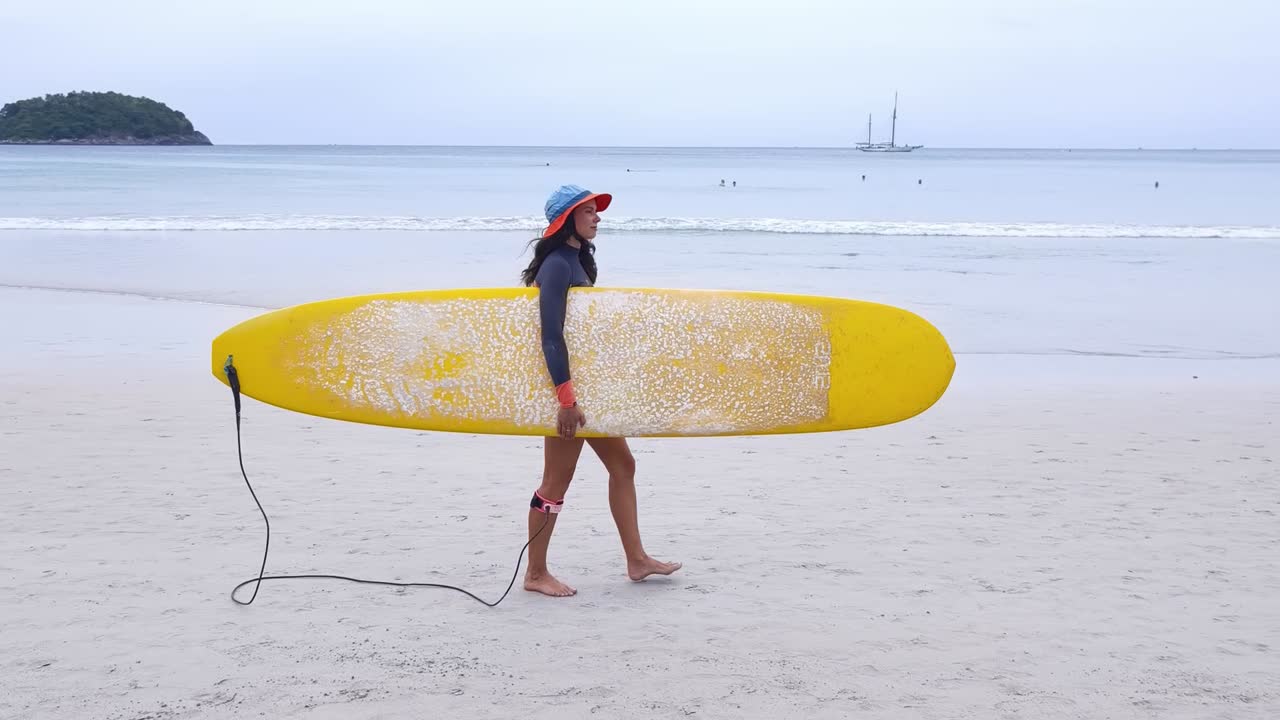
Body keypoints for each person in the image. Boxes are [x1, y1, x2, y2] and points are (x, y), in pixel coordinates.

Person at [517, 184, 682, 597]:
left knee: (623, 466)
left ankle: (637, 559)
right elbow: (551, 336)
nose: (597, 216)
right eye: (588, 211)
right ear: (565, 219)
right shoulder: (557, 265)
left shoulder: (580, 262)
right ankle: (536, 574)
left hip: (589, 390)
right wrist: (566, 401)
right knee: (556, 482)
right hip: (566, 394)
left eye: (596, 210)